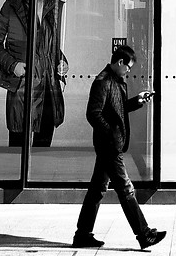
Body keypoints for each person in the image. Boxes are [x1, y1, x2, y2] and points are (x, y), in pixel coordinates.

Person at [72, 44, 166, 250]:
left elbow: (118, 110)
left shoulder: (115, 81)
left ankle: (82, 234)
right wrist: (111, 134)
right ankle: (144, 234)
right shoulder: (103, 82)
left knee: (97, 189)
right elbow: (93, 114)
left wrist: (137, 101)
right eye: (128, 67)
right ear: (120, 62)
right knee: (125, 189)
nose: (129, 71)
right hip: (109, 146)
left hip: (112, 144)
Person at [0, 0, 68, 148]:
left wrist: (62, 61)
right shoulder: (13, 5)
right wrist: (13, 65)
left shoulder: (55, 7)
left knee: (43, 151)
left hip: (49, 88)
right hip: (22, 88)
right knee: (18, 151)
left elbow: (52, 46)